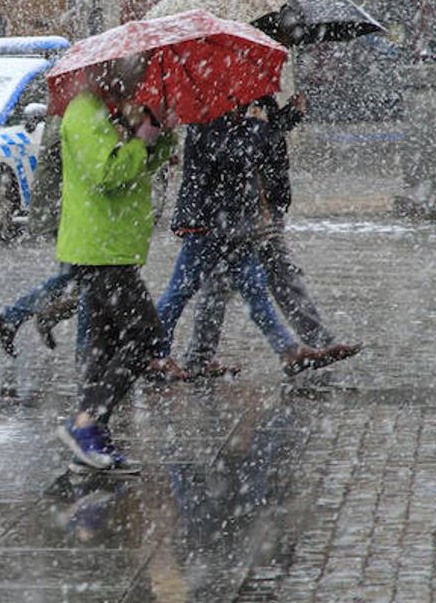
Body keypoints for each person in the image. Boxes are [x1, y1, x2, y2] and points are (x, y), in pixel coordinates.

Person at [153, 102, 358, 377]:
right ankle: (154, 353)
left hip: (232, 223)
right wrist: (258, 125)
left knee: (254, 289)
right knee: (181, 289)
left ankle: (288, 351)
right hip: (207, 223)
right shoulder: (209, 113)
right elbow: (232, 157)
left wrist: (270, 121)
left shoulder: (225, 114)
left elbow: (239, 156)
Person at [54, 54, 178, 473]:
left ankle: (91, 434)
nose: (136, 86)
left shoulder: (106, 112)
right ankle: (85, 424)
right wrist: (138, 142)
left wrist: (157, 134)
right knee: (145, 337)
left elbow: (141, 169)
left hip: (114, 247)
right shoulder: (85, 114)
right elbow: (107, 174)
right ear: (106, 75)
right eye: (131, 78)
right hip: (99, 249)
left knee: (105, 344)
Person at [0, 111, 91, 360]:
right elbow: (80, 159)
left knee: (82, 278)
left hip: (71, 209)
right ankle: (85, 351)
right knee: (86, 278)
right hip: (69, 210)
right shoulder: (74, 115)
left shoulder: (73, 111)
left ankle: (23, 316)